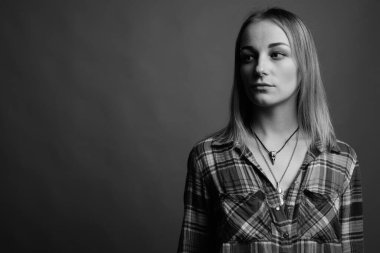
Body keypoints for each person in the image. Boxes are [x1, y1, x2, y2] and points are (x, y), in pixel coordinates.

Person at [177, 7, 363, 253]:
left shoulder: (341, 160)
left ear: (303, 64)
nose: (259, 68)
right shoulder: (208, 158)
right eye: (248, 57)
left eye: (276, 54)